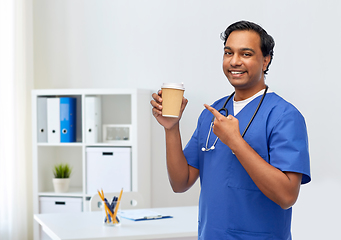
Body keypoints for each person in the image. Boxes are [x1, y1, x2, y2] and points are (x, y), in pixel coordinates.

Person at [150, 20, 311, 240]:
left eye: (246, 54)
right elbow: (180, 183)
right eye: (228, 53)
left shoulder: (284, 116)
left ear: (265, 61)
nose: (234, 61)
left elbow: (287, 196)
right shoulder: (212, 113)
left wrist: (235, 142)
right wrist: (171, 128)